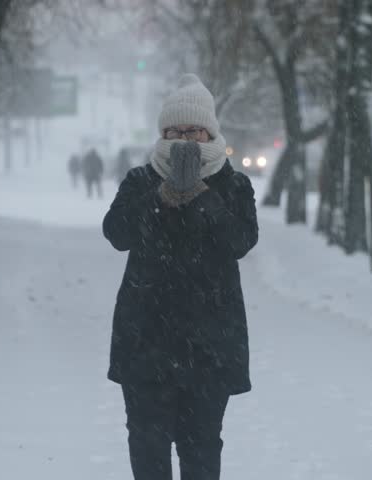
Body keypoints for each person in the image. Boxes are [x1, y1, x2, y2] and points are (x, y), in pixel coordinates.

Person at [102, 73, 258, 480]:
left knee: (202, 446)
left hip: (210, 344)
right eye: (175, 130)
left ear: (209, 132)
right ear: (162, 133)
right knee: (147, 445)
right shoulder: (141, 180)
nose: (184, 139)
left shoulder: (234, 184)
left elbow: (241, 241)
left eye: (193, 130)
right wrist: (159, 200)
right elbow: (116, 233)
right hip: (145, 340)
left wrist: (205, 200)